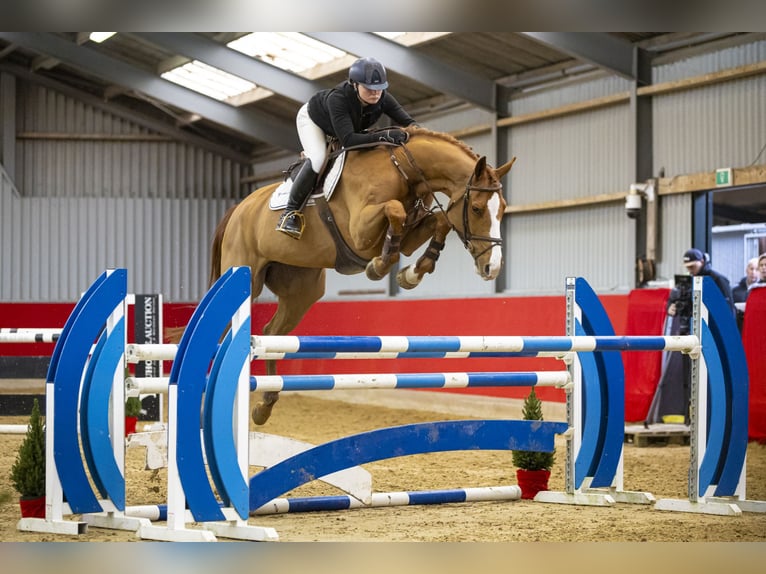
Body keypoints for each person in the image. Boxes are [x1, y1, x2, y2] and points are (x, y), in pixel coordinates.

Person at [276, 56, 417, 240]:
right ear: (354, 84)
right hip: (313, 121)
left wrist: (425, 137)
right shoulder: (339, 99)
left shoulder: (383, 98)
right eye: (369, 89)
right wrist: (386, 136)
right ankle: (290, 213)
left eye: (380, 88)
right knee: (318, 158)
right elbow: (349, 141)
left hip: (343, 128)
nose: (375, 93)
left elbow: (410, 123)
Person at [732, 256, 760, 331]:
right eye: (751, 269)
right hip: (739, 328)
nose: (753, 272)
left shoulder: (762, 291)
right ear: (746, 270)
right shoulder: (735, 291)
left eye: (757, 269)